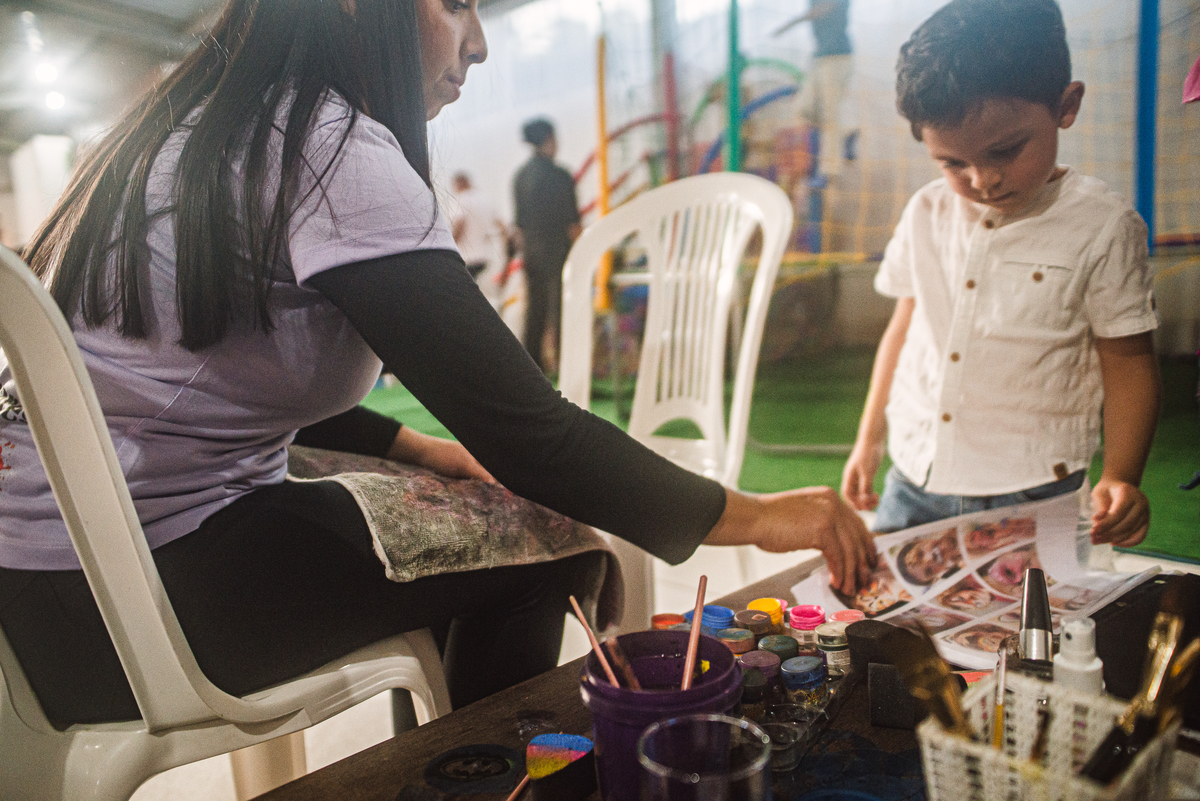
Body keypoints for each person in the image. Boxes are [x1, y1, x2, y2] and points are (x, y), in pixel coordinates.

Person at [0, 0, 875, 730]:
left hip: (39, 596)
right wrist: (758, 514)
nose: (478, 42)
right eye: (455, 3)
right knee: (552, 541)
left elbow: (217, 376)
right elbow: (530, 436)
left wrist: (425, 451)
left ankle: (439, 745)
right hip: (128, 613)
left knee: (448, 511)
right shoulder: (323, 146)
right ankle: (468, 777)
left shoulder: (187, 129)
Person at [840, 0, 1160, 551]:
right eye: (952, 162)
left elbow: (1129, 360)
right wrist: (869, 439)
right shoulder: (925, 212)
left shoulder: (1104, 226)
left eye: (1006, 150)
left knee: (1037, 610)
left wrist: (1121, 475)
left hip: (1033, 487)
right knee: (889, 605)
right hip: (916, 476)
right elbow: (905, 328)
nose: (982, 179)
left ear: (1066, 106)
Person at [512, 117, 580, 372]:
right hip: (558, 250)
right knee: (561, 306)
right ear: (550, 139)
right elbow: (573, 223)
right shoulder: (561, 176)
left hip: (531, 251)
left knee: (535, 309)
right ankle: (565, 363)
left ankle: (532, 365)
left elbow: (518, 226)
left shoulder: (520, 177)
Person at [774, 0, 854, 179]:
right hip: (819, 57)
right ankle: (846, 134)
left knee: (829, 113)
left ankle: (829, 169)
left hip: (838, 56)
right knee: (803, 108)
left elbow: (826, 7)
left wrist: (793, 22)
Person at [448, 171, 505, 284]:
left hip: (467, 258)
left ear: (458, 184)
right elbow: (502, 227)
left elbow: (459, 224)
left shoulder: (460, 199)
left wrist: (450, 248)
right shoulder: (486, 199)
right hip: (485, 258)